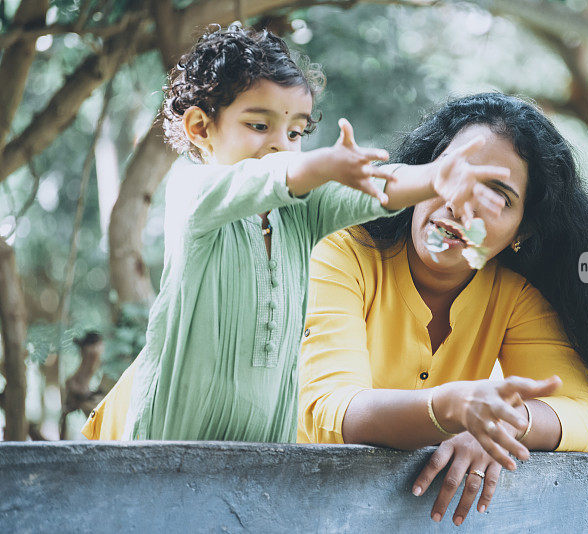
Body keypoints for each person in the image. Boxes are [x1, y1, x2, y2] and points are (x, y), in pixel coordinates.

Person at [82, 26, 511, 442]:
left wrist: (435, 177)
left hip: (265, 455)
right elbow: (275, 174)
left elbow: (377, 187)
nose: (281, 145)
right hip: (170, 446)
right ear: (200, 128)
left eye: (295, 132)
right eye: (258, 126)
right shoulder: (196, 195)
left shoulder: (301, 212)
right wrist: (321, 164)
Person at [298, 93, 588, 526]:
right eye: (456, 174)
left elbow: (583, 414)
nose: (461, 204)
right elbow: (332, 410)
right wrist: (452, 412)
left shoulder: (514, 298)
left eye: (497, 196)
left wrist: (502, 425)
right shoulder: (341, 254)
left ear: (522, 231)